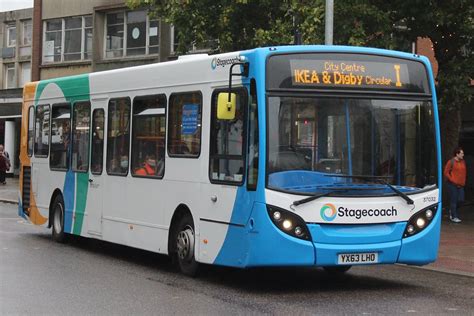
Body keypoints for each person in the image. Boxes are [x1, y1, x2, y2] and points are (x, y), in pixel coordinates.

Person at [444, 147, 466, 223]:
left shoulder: (463, 162)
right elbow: (446, 172)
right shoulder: (451, 162)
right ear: (457, 154)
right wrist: (452, 179)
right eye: (461, 153)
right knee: (454, 200)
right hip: (452, 184)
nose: (463, 155)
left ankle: (452, 211)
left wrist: (463, 181)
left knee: (461, 200)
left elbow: (463, 173)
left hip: (461, 185)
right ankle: (454, 216)